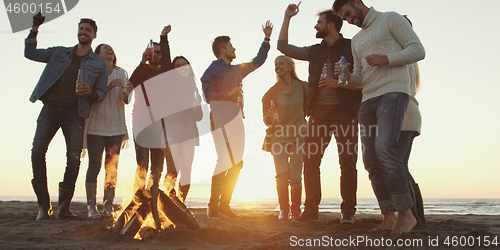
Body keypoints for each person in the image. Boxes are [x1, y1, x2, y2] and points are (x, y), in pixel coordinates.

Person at [332, 0, 425, 233]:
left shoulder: (391, 18)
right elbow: (361, 77)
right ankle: (389, 217)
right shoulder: (356, 40)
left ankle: (407, 215)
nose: (349, 20)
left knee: (386, 149)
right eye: (345, 19)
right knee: (371, 161)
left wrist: (387, 58)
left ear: (357, 2)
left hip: (393, 93)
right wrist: (344, 76)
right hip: (368, 101)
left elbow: (418, 50)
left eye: (349, 14)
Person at [277, 4, 362, 224]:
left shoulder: (353, 46)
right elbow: (283, 46)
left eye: (319, 23)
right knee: (311, 160)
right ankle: (311, 211)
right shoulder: (314, 51)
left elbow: (364, 74)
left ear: (330, 25)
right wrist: (287, 18)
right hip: (319, 113)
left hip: (346, 111)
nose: (316, 26)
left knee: (347, 162)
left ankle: (348, 213)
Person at [25, 13, 107, 220]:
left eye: (88, 30)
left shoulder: (99, 64)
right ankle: (44, 206)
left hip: (75, 114)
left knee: (74, 160)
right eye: (81, 29)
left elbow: (101, 93)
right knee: (37, 152)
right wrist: (35, 29)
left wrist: (91, 92)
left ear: (94, 35)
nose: (83, 32)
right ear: (78, 32)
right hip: (50, 109)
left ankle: (63, 207)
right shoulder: (59, 52)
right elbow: (30, 53)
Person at [201, 21, 273, 219]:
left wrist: (266, 39)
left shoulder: (238, 69)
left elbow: (258, 61)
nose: (235, 49)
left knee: (237, 163)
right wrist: (228, 93)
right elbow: (208, 96)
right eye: (231, 47)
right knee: (224, 160)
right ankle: (213, 207)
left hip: (236, 119)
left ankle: (224, 204)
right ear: (223, 50)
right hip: (220, 119)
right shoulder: (212, 70)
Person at [83, 44, 133, 218]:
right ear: (97, 55)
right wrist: (110, 86)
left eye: (111, 48)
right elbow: (92, 99)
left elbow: (125, 99)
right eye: (105, 48)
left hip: (116, 127)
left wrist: (128, 92)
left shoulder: (122, 72)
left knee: (112, 168)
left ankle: (108, 206)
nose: (110, 49)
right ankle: (91, 207)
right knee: (94, 167)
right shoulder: (93, 73)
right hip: (96, 126)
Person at [262, 55, 308, 220]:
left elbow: (311, 106)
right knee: (282, 175)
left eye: (280, 63)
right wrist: (268, 116)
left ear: (290, 67)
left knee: (295, 176)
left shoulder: (303, 87)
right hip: (278, 138)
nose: (277, 66)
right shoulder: (269, 94)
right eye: (275, 64)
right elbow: (267, 121)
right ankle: (283, 210)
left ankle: (296, 210)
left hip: (299, 136)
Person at [129, 26, 173, 193]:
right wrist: (142, 62)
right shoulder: (142, 70)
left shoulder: (165, 73)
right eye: (152, 52)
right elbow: (131, 84)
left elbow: (168, 59)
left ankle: (151, 194)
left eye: (158, 53)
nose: (155, 55)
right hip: (141, 121)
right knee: (142, 164)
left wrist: (164, 38)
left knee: (158, 165)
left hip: (160, 124)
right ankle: (138, 197)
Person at [160, 54, 203, 202]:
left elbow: (199, 117)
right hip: (171, 130)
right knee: (173, 169)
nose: (182, 67)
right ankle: (169, 201)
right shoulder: (169, 85)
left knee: (186, 171)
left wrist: (197, 108)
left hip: (189, 132)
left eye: (184, 64)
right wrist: (164, 37)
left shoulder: (194, 88)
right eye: (177, 66)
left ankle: (180, 203)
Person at [399, 15, 426, 226]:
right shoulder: (408, 57)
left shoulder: (403, 56)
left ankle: (415, 215)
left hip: (405, 116)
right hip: (409, 116)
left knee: (398, 165)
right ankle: (418, 215)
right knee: (401, 164)